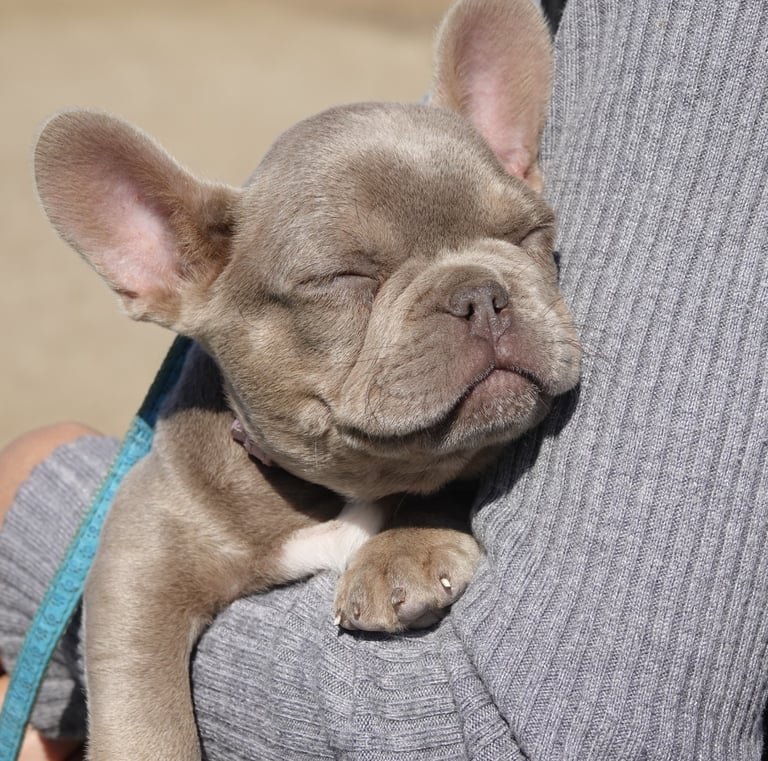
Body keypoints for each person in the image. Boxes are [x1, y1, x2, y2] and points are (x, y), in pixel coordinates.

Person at [2, 0, 767, 758]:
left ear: (519, 165)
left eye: (517, 234)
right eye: (348, 280)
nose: (478, 306)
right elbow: (141, 580)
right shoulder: (195, 488)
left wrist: (31, 498)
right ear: (172, 268)